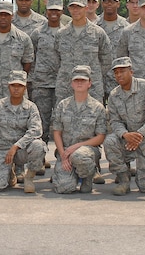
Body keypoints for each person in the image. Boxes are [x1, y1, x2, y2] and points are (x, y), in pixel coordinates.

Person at [103, 57, 145, 195]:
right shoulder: (114, 95)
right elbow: (114, 121)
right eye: (116, 72)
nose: (119, 75)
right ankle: (124, 180)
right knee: (110, 141)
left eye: (122, 71)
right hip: (127, 139)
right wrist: (125, 134)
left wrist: (140, 134)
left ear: (131, 71)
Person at [0, 70, 46, 193]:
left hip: (21, 150)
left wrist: (17, 146)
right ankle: (9, 173)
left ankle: (29, 177)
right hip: (2, 149)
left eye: (20, 86)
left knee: (38, 146)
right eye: (13, 85)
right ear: (8, 86)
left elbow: (36, 130)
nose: (16, 89)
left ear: (25, 88)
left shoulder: (31, 107)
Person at [51, 65, 107, 194]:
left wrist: (77, 146)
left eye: (83, 80)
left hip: (87, 151)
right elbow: (57, 132)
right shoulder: (63, 105)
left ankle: (87, 177)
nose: (79, 83)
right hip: (65, 152)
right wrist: (63, 156)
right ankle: (70, 175)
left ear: (90, 83)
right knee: (64, 188)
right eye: (76, 80)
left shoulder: (97, 108)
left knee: (79, 156)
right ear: (71, 84)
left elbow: (100, 137)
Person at [54, 0, 112, 105]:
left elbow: (107, 60)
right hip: (66, 85)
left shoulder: (98, 33)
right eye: (72, 7)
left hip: (92, 87)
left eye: (79, 7)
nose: (75, 10)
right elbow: (56, 59)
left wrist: (93, 74)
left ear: (86, 8)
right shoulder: (61, 34)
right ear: (68, 9)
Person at [28, 0, 64, 147]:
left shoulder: (66, 32)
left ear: (62, 11)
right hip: (41, 83)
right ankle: (40, 155)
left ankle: (62, 154)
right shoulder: (37, 33)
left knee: (61, 119)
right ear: (46, 11)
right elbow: (31, 56)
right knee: (41, 119)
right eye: (51, 10)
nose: (53, 13)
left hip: (62, 82)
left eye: (57, 10)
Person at [96, 0, 127, 97]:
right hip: (98, 78)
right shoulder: (94, 26)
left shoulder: (126, 27)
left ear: (118, 4)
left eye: (112, 1)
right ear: (101, 3)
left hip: (118, 78)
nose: (109, 4)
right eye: (106, 1)